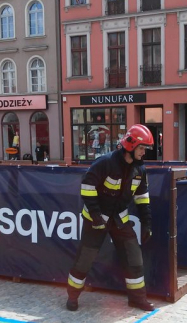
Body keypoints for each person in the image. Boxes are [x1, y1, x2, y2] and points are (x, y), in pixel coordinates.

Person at [66, 124, 155, 312]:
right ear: (130, 146)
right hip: (95, 219)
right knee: (85, 259)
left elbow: (142, 198)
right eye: (142, 148)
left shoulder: (140, 170)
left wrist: (146, 223)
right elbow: (87, 189)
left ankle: (137, 299)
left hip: (120, 219)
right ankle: (72, 296)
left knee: (134, 257)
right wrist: (97, 217)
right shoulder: (104, 163)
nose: (143, 153)